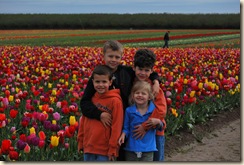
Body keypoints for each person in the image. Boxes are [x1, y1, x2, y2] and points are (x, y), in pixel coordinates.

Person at [79, 40, 161, 161]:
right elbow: (84, 102)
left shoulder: (126, 71)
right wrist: (99, 114)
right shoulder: (99, 75)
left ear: (121, 57)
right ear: (104, 56)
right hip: (105, 123)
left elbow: (144, 71)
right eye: (110, 56)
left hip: (126, 120)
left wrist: (156, 80)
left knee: (122, 153)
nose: (113, 59)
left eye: (117, 57)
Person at [77, 65, 124, 161]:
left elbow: (117, 126)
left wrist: (113, 148)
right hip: (89, 146)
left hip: (104, 149)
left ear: (110, 82)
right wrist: (81, 141)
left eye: (104, 82)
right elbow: (84, 121)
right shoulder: (91, 99)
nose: (100, 85)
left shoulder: (115, 101)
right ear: (92, 82)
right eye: (97, 82)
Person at [132, 48, 167, 161]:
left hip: (154, 131)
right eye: (140, 69)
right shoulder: (131, 82)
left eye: (146, 70)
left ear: (151, 71)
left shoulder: (154, 87)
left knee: (156, 159)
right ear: (134, 68)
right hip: (135, 130)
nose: (142, 73)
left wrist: (145, 126)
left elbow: (161, 110)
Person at [118, 81, 162, 161]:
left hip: (148, 148)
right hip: (131, 147)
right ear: (133, 96)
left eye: (143, 93)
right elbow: (126, 127)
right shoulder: (129, 111)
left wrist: (158, 122)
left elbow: (160, 127)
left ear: (149, 97)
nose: (140, 95)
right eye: (137, 93)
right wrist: (123, 134)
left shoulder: (154, 110)